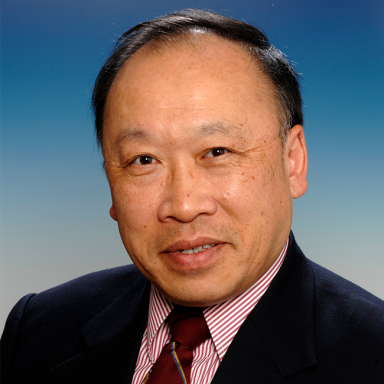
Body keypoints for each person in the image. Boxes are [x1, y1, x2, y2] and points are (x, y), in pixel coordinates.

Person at [1, 9, 383, 384]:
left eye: (217, 152)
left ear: (293, 161)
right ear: (110, 181)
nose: (183, 206)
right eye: (143, 160)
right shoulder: (38, 330)